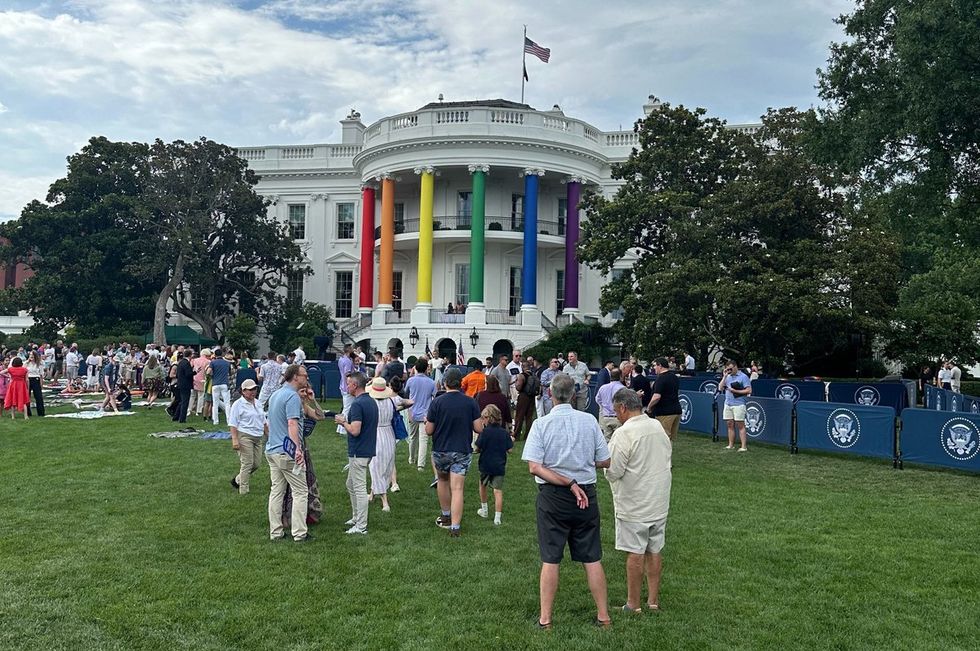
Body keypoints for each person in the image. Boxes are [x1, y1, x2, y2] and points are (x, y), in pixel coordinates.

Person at [522, 373, 612, 629]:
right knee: (592, 557)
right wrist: (581, 466)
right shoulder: (588, 421)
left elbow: (535, 467)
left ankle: (546, 619)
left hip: (553, 497)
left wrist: (566, 479)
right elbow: (605, 460)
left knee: (550, 558)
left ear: (550, 394)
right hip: (585, 493)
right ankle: (603, 616)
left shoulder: (541, 424)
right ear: (573, 395)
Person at [607, 388, 672, 613]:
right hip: (659, 499)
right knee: (654, 549)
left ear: (623, 408)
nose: (615, 415)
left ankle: (633, 604)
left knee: (635, 551)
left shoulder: (624, 434)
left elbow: (613, 470)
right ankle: (652, 601)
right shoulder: (657, 426)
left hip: (635, 502)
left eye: (616, 410)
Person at [425, 367, 484, 537]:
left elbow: (429, 430)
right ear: (461, 383)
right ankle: (455, 527)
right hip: (462, 450)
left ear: (445, 382)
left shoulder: (437, 402)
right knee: (457, 488)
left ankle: (445, 517)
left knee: (442, 481)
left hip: (441, 449)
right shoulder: (470, 402)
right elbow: (479, 428)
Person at [265, 364, 311, 543]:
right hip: (287, 452)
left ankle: (275, 532)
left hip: (272, 450)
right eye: (304, 375)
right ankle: (299, 533)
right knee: (300, 491)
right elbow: (292, 424)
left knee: (276, 491)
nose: (306, 378)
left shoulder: (276, 394)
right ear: (295, 377)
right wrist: (297, 449)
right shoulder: (292, 397)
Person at [335, 371, 377, 535]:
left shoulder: (358, 404)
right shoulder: (370, 401)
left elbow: (355, 430)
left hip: (359, 452)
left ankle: (361, 525)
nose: (346, 386)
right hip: (365, 449)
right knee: (350, 485)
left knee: (359, 489)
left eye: (348, 383)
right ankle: (356, 517)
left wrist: (343, 421)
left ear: (355, 385)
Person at [283, 383, 328, 528]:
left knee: (307, 480)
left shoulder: (303, 406)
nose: (303, 394)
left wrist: (313, 400)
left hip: (303, 446)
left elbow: (320, 416)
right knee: (290, 484)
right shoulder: (290, 405)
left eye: (305, 391)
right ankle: (288, 515)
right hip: (292, 447)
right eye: (301, 391)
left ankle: (307, 512)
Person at [367, 377, 413, 511]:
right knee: (385, 465)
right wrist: (398, 409)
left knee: (376, 466)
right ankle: (372, 494)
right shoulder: (392, 400)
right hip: (389, 434)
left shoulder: (370, 402)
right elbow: (410, 401)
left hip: (375, 434)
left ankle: (385, 502)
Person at [474, 404, 513, 525]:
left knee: (482, 485)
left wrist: (478, 450)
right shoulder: (504, 433)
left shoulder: (484, 433)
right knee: (497, 490)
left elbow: (477, 448)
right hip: (499, 465)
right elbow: (510, 450)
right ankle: (497, 518)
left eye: (483, 418)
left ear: (488, 418)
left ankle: (484, 510)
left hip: (485, 465)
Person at [229, 379, 268, 496]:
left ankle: (238, 480)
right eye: (250, 389)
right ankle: (244, 490)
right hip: (244, 436)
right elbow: (233, 423)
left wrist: (269, 435)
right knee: (247, 463)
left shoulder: (258, 403)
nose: (253, 392)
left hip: (258, 436)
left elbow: (263, 421)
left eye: (254, 389)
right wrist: (235, 440)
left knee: (256, 464)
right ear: (243, 391)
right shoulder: (238, 404)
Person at [405, 358, 437, 469]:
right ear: (426, 368)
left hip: (412, 412)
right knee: (423, 439)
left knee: (412, 437)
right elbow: (435, 397)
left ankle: (411, 459)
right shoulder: (431, 382)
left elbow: (406, 393)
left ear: (416, 368)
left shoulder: (411, 380)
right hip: (425, 414)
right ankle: (420, 465)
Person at [719, 359, 752, 452]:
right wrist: (724, 376)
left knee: (740, 424)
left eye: (730, 369)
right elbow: (720, 387)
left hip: (739, 403)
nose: (729, 371)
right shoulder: (727, 376)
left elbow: (749, 390)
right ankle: (730, 445)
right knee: (729, 424)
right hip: (728, 403)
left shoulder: (743, 377)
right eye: (727, 369)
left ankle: (743, 447)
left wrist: (735, 391)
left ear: (735, 366)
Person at [646, 358, 681, 441]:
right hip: (676, 410)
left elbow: (657, 396)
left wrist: (649, 407)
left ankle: (664, 454)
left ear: (660, 366)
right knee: (671, 438)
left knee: (663, 439)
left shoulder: (661, 379)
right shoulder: (674, 377)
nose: (653, 368)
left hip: (664, 412)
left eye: (654, 365)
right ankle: (669, 454)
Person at [595, 368, 626, 440]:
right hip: (618, 418)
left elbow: (597, 400)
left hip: (606, 417)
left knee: (607, 441)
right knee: (618, 440)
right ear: (621, 376)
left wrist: (605, 407)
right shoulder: (622, 388)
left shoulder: (603, 388)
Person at [513, 363, 539, 440]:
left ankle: (516, 435)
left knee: (519, 416)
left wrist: (515, 383)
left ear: (522, 367)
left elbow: (519, 387)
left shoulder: (521, 375)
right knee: (529, 417)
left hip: (523, 396)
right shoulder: (534, 375)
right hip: (532, 397)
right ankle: (528, 435)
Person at [208, 347, 232, 425]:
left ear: (215, 354)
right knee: (227, 403)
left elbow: (208, 372)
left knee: (215, 403)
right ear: (222, 354)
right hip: (224, 383)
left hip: (215, 384)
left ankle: (215, 421)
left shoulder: (213, 362)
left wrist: (212, 375)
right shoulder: (227, 363)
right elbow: (230, 373)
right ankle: (229, 420)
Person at [337, 345, 357, 434]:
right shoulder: (348, 361)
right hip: (347, 387)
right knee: (347, 408)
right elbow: (347, 374)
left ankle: (341, 428)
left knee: (346, 407)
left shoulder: (341, 359)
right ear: (349, 350)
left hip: (342, 386)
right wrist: (349, 387)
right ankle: (342, 428)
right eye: (352, 349)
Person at [173, 349, 194, 423]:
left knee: (181, 401)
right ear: (190, 355)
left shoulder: (181, 362)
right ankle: (182, 418)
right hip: (186, 384)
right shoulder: (186, 363)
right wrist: (194, 372)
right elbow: (188, 374)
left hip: (180, 383)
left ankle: (176, 416)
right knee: (185, 402)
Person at [25, 350, 45, 417]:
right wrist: (27, 362)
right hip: (28, 380)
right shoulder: (26, 363)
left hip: (36, 379)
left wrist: (41, 384)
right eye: (30, 355)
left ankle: (41, 413)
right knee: (27, 396)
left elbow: (41, 375)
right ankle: (28, 413)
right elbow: (23, 370)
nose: (31, 356)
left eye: (32, 355)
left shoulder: (39, 364)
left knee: (38, 397)